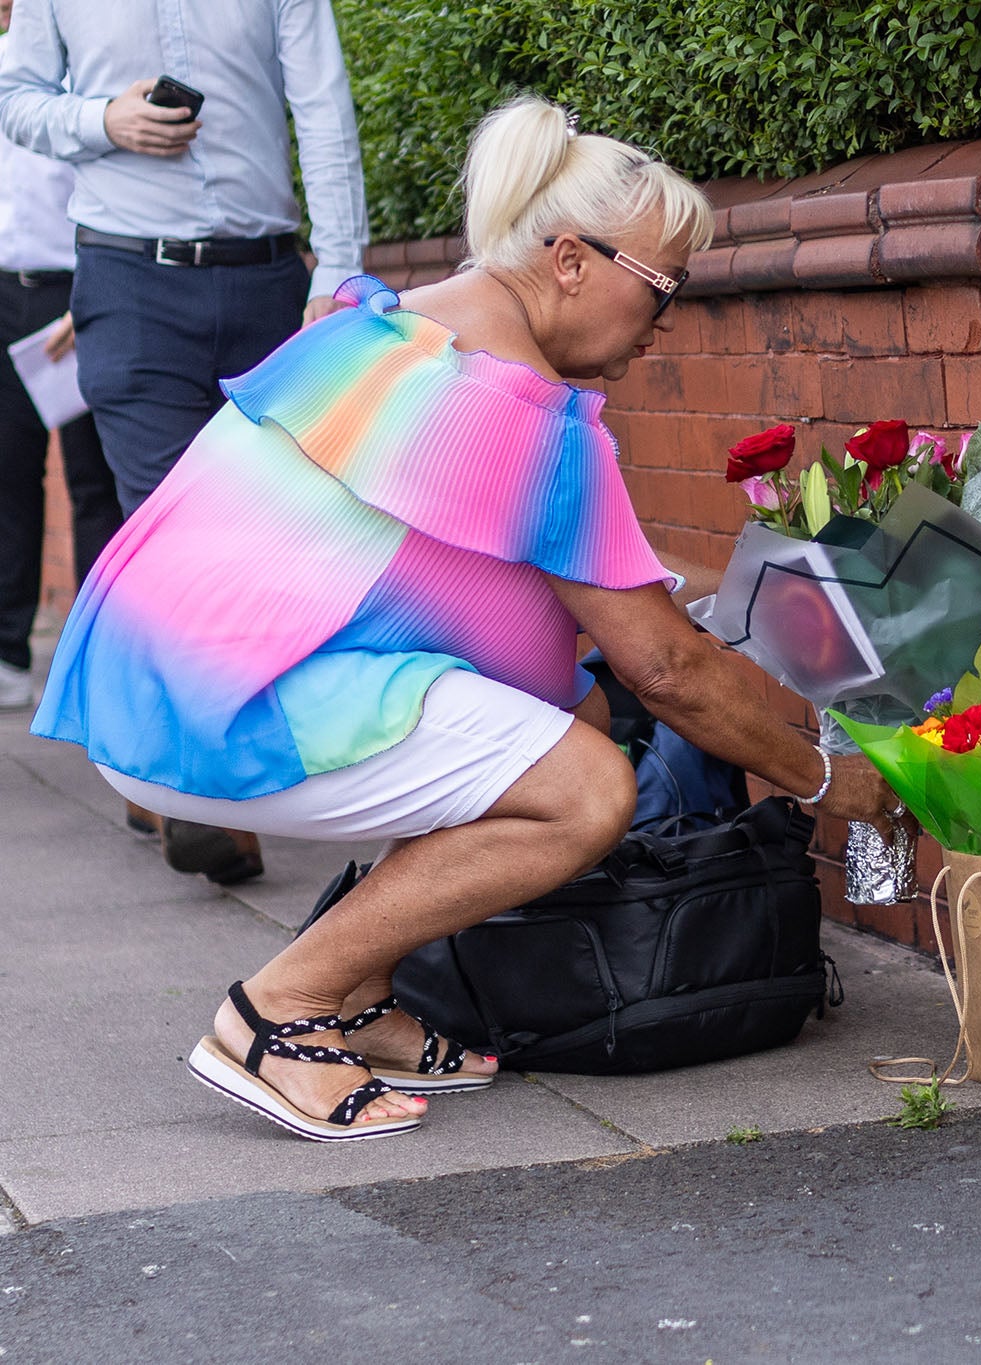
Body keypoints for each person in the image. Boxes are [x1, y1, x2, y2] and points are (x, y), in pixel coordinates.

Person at [31, 97, 902, 1141]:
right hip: (209, 713)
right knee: (585, 792)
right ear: (572, 260)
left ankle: (360, 997)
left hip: (144, 681)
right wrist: (830, 775)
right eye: (662, 287)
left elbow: (548, 597)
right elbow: (665, 668)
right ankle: (282, 1009)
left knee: (565, 734)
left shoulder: (393, 329)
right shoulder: (523, 416)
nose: (666, 321)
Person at [0, 0, 372, 879]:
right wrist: (103, 120)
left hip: (266, 283)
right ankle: (202, 793)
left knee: (266, 530)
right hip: (128, 285)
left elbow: (322, 103)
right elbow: (15, 97)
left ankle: (153, 756)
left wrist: (344, 265)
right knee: (165, 526)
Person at [0, 0, 120, 713]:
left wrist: (95, 285)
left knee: (93, 479)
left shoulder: (83, 62)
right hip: (1, 291)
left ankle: (100, 663)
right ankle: (8, 654)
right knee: (7, 473)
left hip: (78, 291)